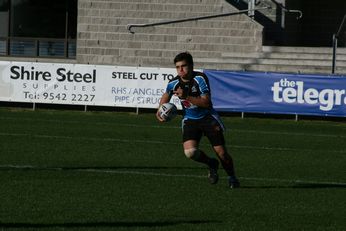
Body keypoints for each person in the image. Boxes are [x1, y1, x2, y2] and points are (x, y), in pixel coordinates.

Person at [156, 52, 240, 188]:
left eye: (184, 66)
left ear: (191, 66)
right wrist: (160, 110)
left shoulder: (200, 78)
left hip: (208, 118)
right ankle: (211, 163)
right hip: (190, 119)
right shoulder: (174, 83)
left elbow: (206, 103)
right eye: (177, 67)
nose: (180, 70)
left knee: (222, 153)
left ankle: (232, 177)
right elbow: (166, 95)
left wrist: (186, 96)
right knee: (190, 152)